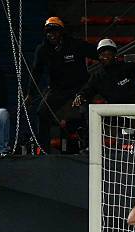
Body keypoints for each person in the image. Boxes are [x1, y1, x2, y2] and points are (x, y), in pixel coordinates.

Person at [26, 16, 97, 153]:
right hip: (58, 88)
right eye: (48, 32)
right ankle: (43, 148)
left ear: (61, 32)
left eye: (54, 31)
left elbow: (98, 54)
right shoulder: (42, 49)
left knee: (87, 112)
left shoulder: (76, 44)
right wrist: (30, 93)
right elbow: (36, 73)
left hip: (80, 87)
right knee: (42, 112)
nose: (51, 34)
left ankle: (89, 146)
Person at [72, 38, 135, 106]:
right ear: (99, 57)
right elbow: (87, 90)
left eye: (109, 54)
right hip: (117, 115)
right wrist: (80, 95)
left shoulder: (128, 66)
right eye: (103, 54)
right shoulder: (97, 76)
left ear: (115, 55)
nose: (106, 57)